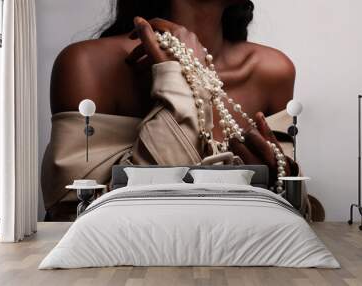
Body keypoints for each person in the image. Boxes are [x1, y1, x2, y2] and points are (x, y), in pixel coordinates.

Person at [42, 0, 303, 221]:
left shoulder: (272, 71)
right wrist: (178, 81)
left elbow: (291, 210)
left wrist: (274, 183)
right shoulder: (89, 66)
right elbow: (73, 217)